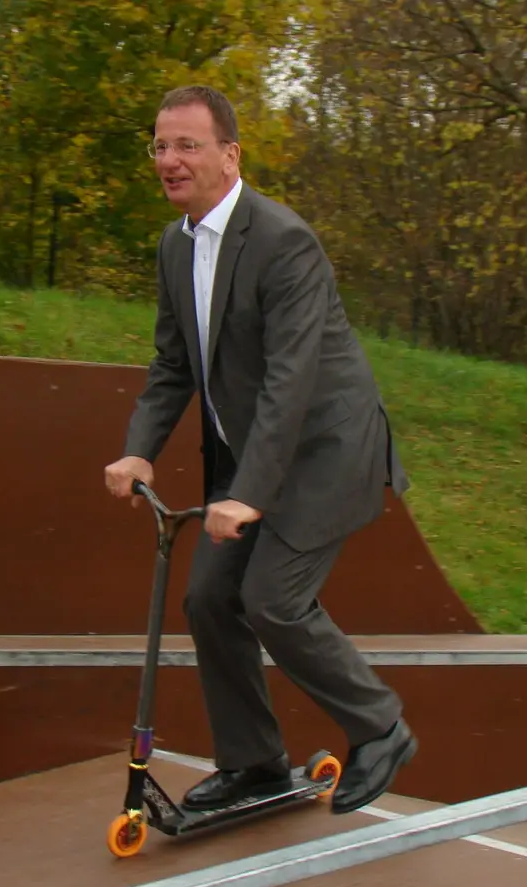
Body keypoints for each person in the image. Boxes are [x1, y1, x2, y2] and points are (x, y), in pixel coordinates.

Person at [102, 85, 417, 815]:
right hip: (253, 456)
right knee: (209, 598)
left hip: (325, 451)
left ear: (229, 155)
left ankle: (381, 726)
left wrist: (249, 493)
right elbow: (173, 363)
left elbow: (291, 379)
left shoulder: (283, 241)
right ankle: (254, 763)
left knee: (271, 599)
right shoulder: (174, 245)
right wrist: (139, 449)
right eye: (159, 145)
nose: (170, 160)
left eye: (187, 144)